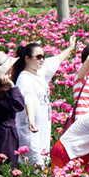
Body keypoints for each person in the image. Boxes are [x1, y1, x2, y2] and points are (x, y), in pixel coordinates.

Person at [14, 38, 76, 168]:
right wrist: (31, 120)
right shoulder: (24, 79)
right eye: (38, 57)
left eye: (43, 56)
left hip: (42, 127)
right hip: (31, 129)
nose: (42, 59)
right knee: (34, 163)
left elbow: (57, 59)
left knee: (43, 158)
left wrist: (70, 48)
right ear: (27, 58)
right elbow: (28, 101)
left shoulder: (39, 72)